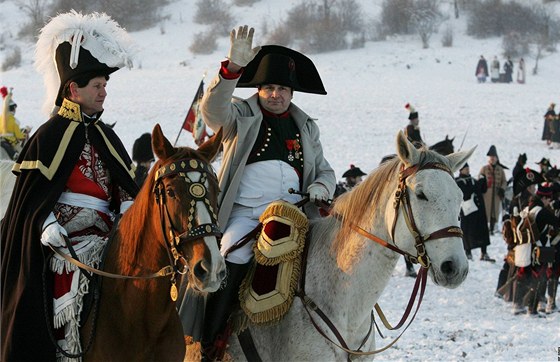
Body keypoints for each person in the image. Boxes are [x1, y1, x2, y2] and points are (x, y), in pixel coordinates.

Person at [1, 12, 139, 361]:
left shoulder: (108, 136)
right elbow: (31, 200)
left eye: (105, 86)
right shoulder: (47, 137)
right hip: (63, 237)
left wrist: (127, 209)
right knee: (70, 272)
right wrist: (45, 225)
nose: (104, 93)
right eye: (97, 86)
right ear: (73, 89)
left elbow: (123, 187)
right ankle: (67, 352)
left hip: (110, 233)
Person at [194, 25, 336, 360]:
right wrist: (231, 69)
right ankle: (210, 339)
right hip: (246, 214)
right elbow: (211, 112)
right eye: (268, 87)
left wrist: (319, 186)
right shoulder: (240, 115)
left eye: (282, 89)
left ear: (292, 93)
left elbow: (326, 171)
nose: (275, 94)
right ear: (258, 89)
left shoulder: (306, 126)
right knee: (229, 254)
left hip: (297, 214)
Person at [456, 163, 495, 262]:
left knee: (482, 231)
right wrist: (478, 183)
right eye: (465, 169)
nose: (468, 170)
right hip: (467, 212)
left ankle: (484, 252)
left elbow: (483, 190)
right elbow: (465, 192)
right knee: (468, 232)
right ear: (460, 170)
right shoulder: (458, 181)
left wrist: (483, 181)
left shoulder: (473, 180)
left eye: (468, 168)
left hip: (479, 211)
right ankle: (468, 252)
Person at [479, 145, 507, 235]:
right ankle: (486, 228)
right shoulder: (484, 169)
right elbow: (480, 179)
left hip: (496, 193)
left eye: (494, 157)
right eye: (491, 157)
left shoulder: (500, 169)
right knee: (486, 211)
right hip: (487, 193)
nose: (492, 159)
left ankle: (493, 228)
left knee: (495, 212)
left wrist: (502, 189)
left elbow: (504, 181)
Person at [0, 86, 29, 160]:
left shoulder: (1, 118)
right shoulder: (14, 121)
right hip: (11, 141)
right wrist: (25, 133)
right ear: (13, 109)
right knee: (22, 154)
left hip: (1, 140)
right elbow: (18, 136)